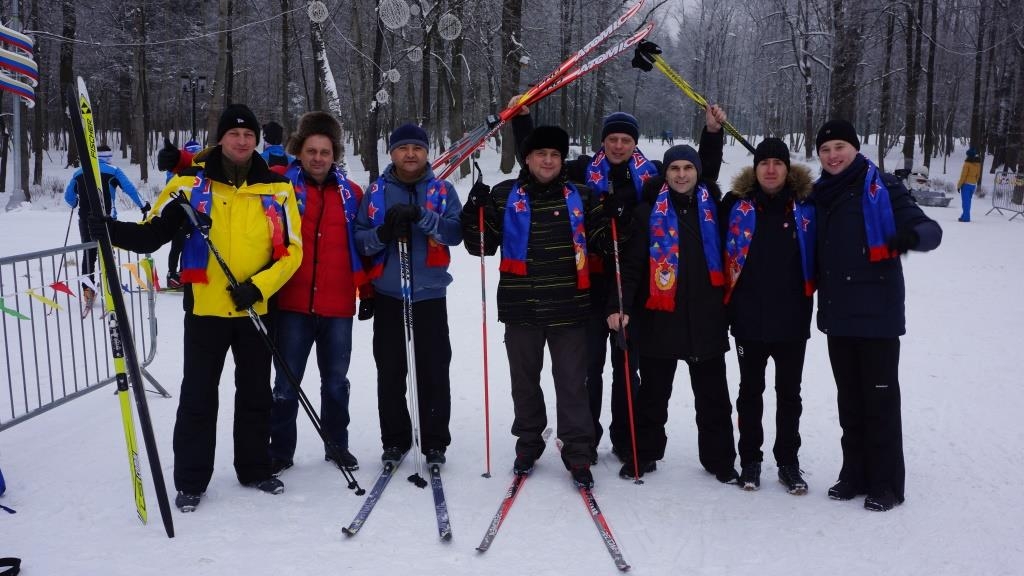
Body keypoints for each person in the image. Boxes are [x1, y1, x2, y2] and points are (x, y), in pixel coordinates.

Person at [91, 104, 303, 512]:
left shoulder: (277, 188)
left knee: (256, 394)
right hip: (206, 312)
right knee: (198, 397)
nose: (241, 141)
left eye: (248, 134)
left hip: (254, 311)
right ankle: (191, 480)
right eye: (234, 134)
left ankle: (254, 467)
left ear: (256, 141)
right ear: (220, 138)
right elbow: (152, 234)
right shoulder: (190, 185)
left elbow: (293, 250)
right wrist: (109, 229)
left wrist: (259, 288)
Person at [511, 105, 727, 464]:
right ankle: (587, 438)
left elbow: (699, 174)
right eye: (612, 139)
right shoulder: (582, 170)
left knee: (627, 368)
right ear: (603, 141)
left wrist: (713, 133)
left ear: (634, 143)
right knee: (589, 368)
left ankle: (627, 439)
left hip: (635, 284)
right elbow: (537, 164)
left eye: (626, 140)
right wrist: (522, 121)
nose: (618, 145)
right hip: (589, 282)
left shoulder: (652, 176)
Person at [462, 125, 612, 488]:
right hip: (521, 307)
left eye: (555, 155)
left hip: (570, 307)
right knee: (524, 382)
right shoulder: (503, 195)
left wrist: (613, 217)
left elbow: (604, 245)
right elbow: (481, 245)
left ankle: (578, 451)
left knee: (573, 383)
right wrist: (473, 210)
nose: (548, 161)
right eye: (541, 154)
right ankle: (528, 442)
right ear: (527, 159)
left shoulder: (583, 195)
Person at [812, 119, 942, 511]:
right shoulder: (819, 193)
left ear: (855, 149)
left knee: (880, 403)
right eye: (825, 149)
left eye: (840, 147)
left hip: (877, 317)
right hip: (838, 315)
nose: (833, 155)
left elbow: (929, 229)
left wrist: (911, 236)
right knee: (849, 402)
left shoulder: (883, 187)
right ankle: (853, 473)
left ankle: (886, 483)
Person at [606, 138, 739, 484]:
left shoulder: (715, 211)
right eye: (675, 169)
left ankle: (720, 459)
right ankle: (643, 455)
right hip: (660, 318)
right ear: (665, 174)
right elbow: (631, 267)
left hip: (706, 318)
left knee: (713, 398)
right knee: (653, 395)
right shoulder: (646, 212)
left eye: (688, 168)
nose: (682, 175)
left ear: (698, 172)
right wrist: (619, 306)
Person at [267, 111, 372, 476]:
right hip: (292, 303)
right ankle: (280, 450)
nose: (317, 158)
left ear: (334, 154)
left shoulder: (351, 193)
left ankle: (337, 444)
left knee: (336, 382)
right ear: (299, 150)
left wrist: (367, 291)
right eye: (311, 151)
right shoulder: (280, 184)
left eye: (325, 152)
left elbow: (363, 245)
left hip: (338, 304)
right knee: (286, 382)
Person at [354, 123, 463, 466]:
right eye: (403, 148)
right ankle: (395, 439)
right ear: (392, 153)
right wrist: (384, 232)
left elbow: (455, 232)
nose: (410, 154)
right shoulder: (376, 192)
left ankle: (434, 441)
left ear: (427, 152)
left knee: (434, 370)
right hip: (389, 294)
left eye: (417, 148)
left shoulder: (442, 190)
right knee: (390, 371)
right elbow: (360, 239)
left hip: (429, 294)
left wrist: (422, 216)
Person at [721, 138, 815, 494]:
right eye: (764, 163)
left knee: (789, 394)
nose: (771, 169)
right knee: (750, 392)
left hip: (792, 319)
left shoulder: (805, 206)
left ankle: (788, 462)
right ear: (755, 168)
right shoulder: (735, 205)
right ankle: (750, 459)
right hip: (748, 319)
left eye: (778, 163)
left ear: (788, 169)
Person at [64, 144, 149, 305]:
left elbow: (69, 198)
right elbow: (129, 188)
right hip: (107, 220)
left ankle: (87, 292)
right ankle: (112, 289)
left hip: (86, 220)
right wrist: (143, 205)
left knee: (88, 254)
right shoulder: (114, 171)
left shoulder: (79, 172)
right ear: (108, 157)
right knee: (107, 253)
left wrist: (75, 201)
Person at [164, 139, 203, 289]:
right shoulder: (176, 169)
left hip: (194, 214)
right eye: (193, 152)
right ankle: (172, 275)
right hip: (178, 214)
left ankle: (183, 273)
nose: (196, 155)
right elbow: (171, 186)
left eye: (198, 151)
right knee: (177, 245)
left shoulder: (201, 169)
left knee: (188, 245)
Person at [956, 147, 982, 222]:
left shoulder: (967, 164)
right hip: (973, 185)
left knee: (965, 202)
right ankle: (964, 215)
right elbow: (978, 175)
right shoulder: (978, 164)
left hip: (966, 185)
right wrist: (974, 182)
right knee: (968, 202)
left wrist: (959, 185)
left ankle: (966, 218)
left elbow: (963, 176)